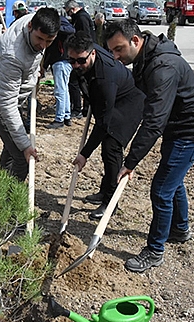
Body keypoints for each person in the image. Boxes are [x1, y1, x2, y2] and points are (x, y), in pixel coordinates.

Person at [104, 19, 194, 273]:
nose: (116, 56)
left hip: (190, 131)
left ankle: (154, 251)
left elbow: (153, 121)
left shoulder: (163, 66)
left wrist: (130, 162)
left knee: (162, 189)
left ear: (136, 41)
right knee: (173, 182)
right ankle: (180, 229)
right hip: (176, 129)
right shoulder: (146, 58)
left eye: (119, 49)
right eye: (111, 51)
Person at [66, 32, 145, 220]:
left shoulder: (105, 79)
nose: (76, 65)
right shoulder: (85, 56)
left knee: (111, 148)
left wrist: (84, 154)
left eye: (80, 61)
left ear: (92, 53)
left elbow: (103, 123)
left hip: (130, 102)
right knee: (106, 147)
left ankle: (110, 202)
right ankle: (104, 191)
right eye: (72, 60)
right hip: (114, 96)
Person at [0, 8, 60, 181]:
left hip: (15, 96)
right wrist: (25, 146)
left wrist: (34, 71)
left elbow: (38, 51)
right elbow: (6, 105)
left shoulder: (35, 20)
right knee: (22, 157)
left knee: (11, 149)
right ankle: (10, 203)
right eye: (40, 38)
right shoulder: (13, 56)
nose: (43, 46)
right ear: (30, 26)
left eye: (49, 41)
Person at [42, 14, 74, 129]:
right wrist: (44, 66)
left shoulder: (61, 25)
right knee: (64, 90)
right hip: (61, 62)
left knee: (60, 91)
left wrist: (57, 28)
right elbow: (49, 50)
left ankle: (59, 119)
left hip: (62, 62)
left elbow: (71, 30)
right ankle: (66, 116)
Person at [64, 0, 95, 119]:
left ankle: (78, 109)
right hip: (83, 54)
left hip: (82, 55)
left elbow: (84, 37)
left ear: (72, 9)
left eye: (68, 12)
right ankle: (84, 108)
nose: (68, 15)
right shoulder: (83, 16)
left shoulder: (81, 18)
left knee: (76, 82)